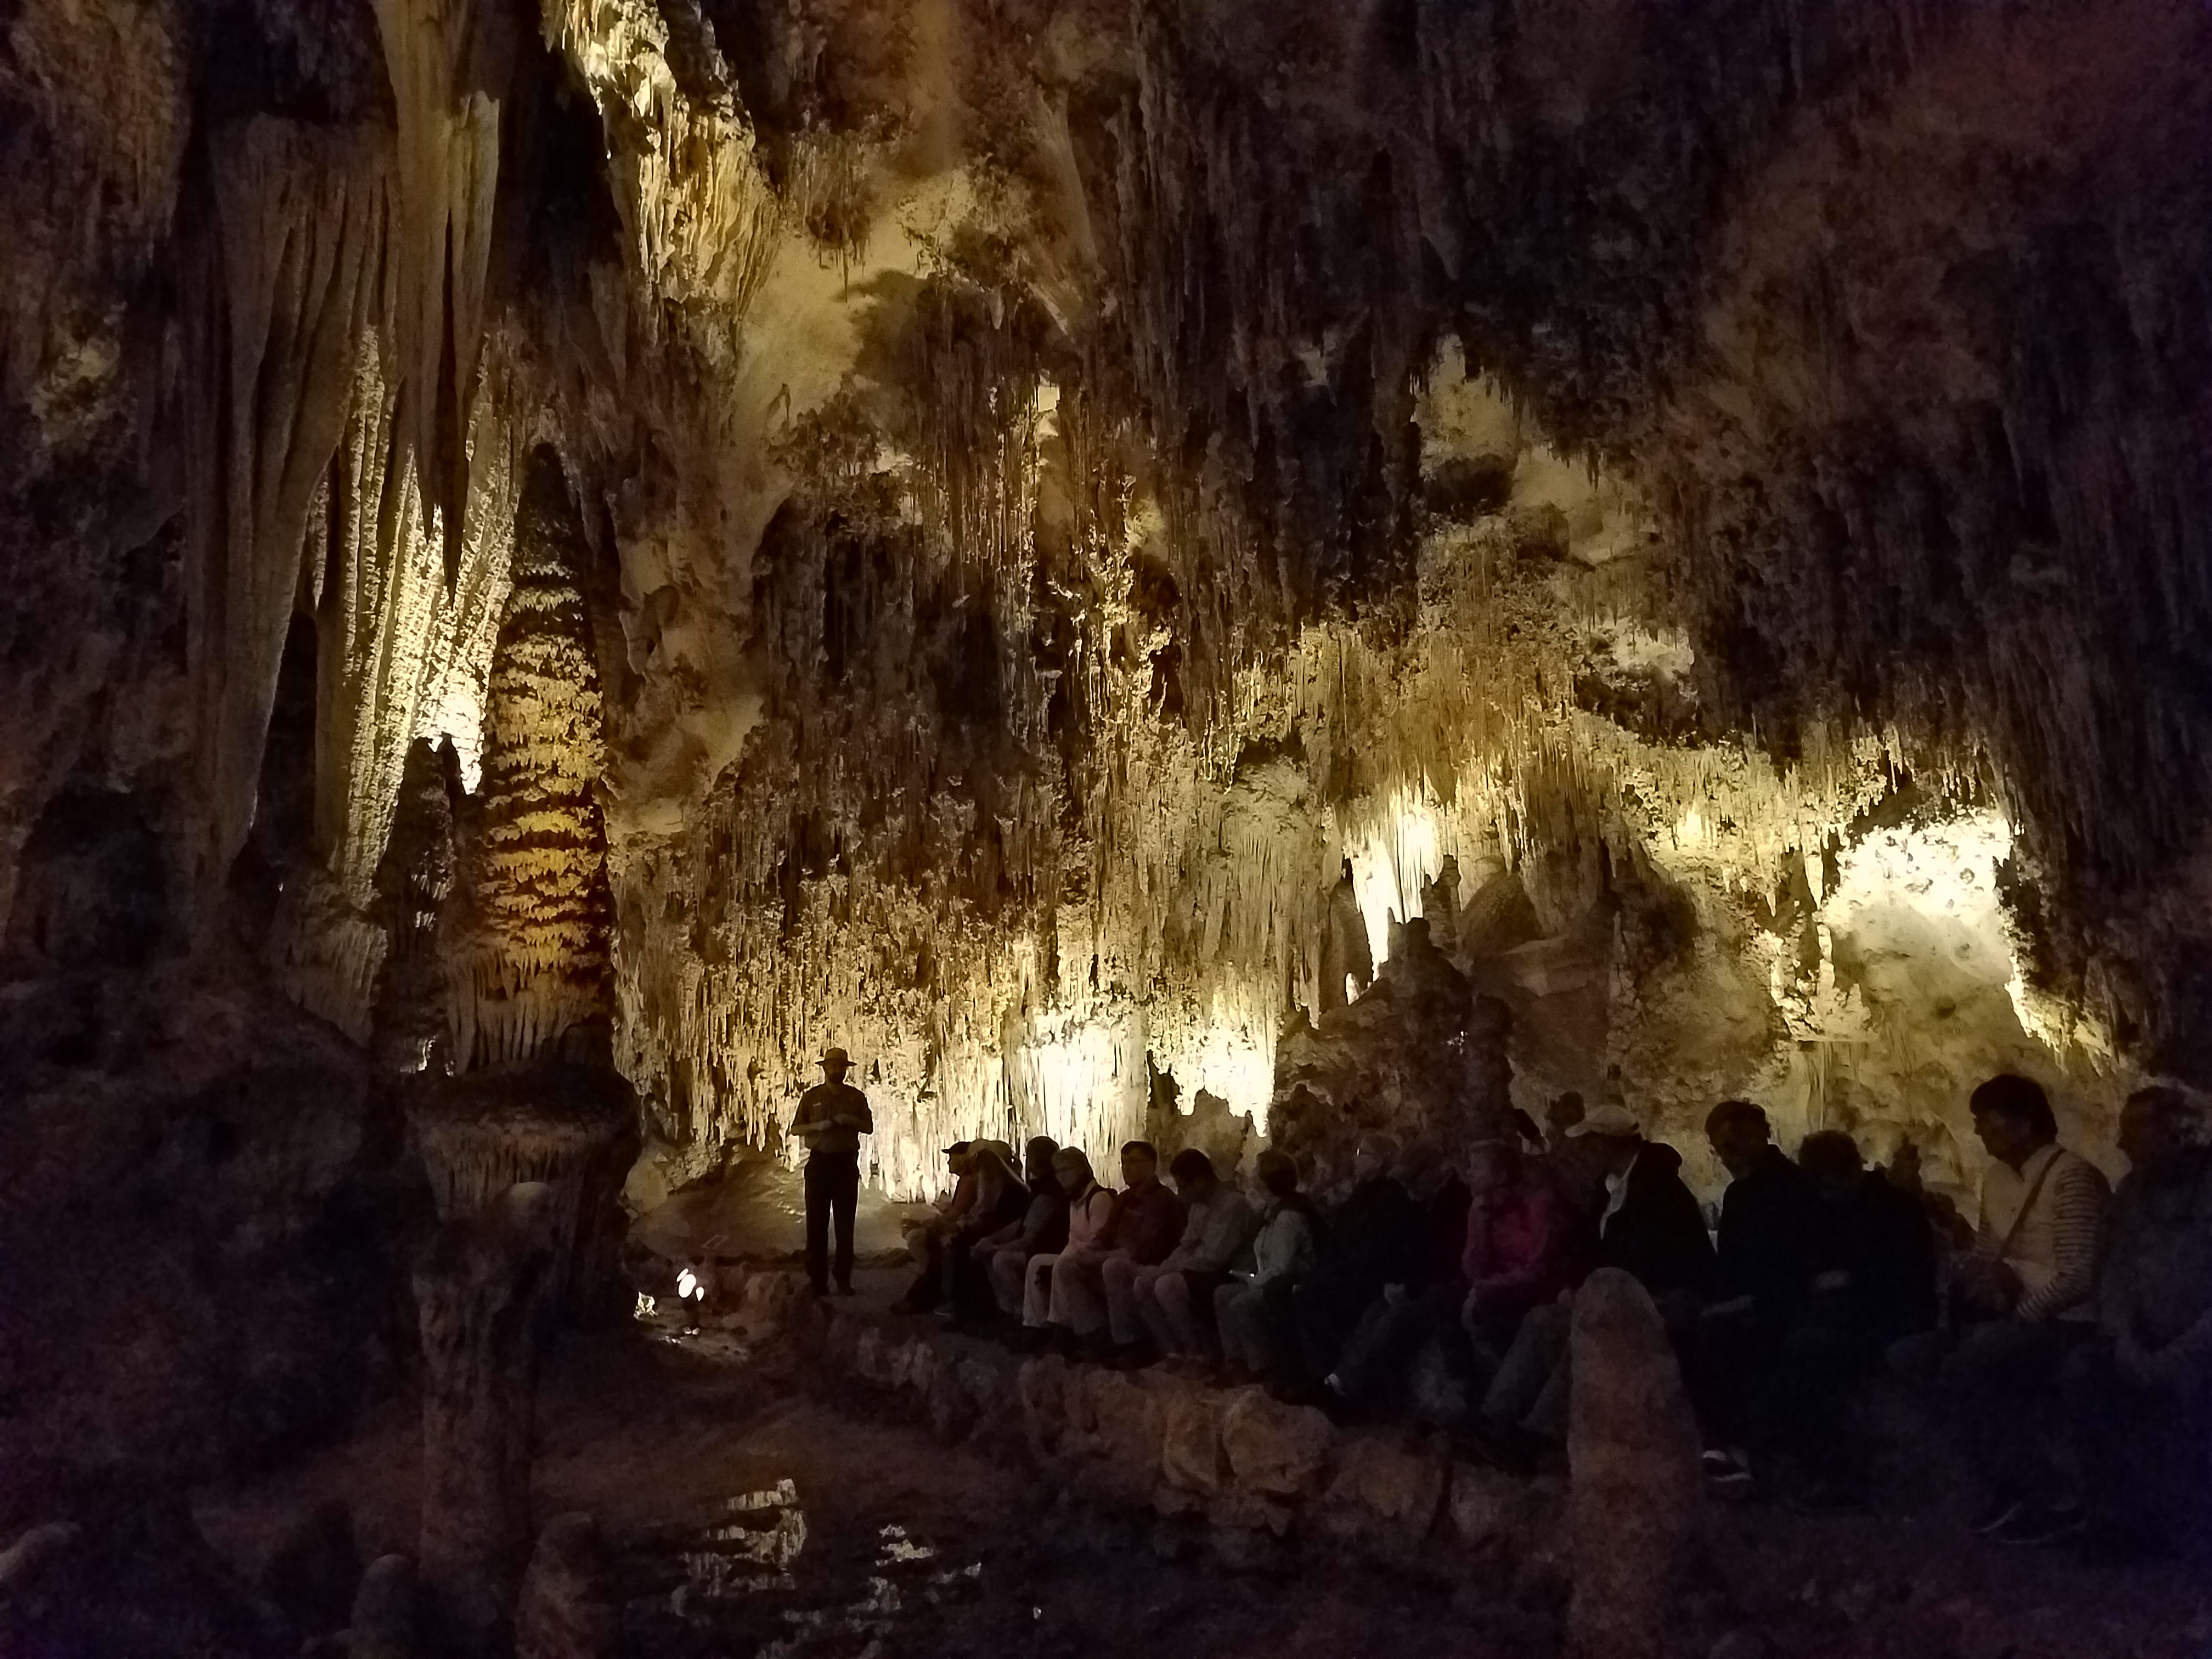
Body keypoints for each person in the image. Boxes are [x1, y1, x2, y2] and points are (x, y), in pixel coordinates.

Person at [1930, 1073, 2110, 1546]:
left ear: (2023, 1124)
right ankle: (2013, 1483)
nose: (1978, 1133)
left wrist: (2020, 1318)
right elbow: (1992, 1251)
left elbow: (2079, 1275)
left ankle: (2048, 1495)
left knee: (1969, 1367)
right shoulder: (1995, 1178)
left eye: (1986, 1122)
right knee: (1928, 1357)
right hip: (2016, 1311)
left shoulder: (2072, 1178)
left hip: (2068, 1321)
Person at [1477, 1102, 1712, 1454]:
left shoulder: (1657, 1190)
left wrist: (1591, 1292)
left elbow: (1655, 1259)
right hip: (1617, 1292)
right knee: (1544, 1320)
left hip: (1664, 1295)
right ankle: (1497, 1417)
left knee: (1590, 1330)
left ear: (1607, 1143)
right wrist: (1575, 1286)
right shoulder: (1611, 1190)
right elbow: (1592, 1250)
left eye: (1589, 1144)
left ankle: (1543, 1434)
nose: (1584, 1153)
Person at [2062, 1086, 2212, 1561]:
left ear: (2176, 1135)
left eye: (2135, 1134)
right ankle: (2118, 1521)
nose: (2122, 1145)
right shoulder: (2130, 1193)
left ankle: (2186, 1533)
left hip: (2199, 1345)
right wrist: (2126, 1341)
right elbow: (2112, 1273)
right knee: (2085, 1378)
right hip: (2143, 1342)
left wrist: (2180, 1356)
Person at [1763, 1128, 1938, 1504]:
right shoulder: (1820, 1209)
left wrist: (1848, 1281)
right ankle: (1792, 1462)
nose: (1826, 1194)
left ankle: (1836, 1475)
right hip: (1836, 1317)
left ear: (1851, 1172)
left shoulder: (1896, 1210)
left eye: (1831, 1184)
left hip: (1891, 1320)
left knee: (1810, 1353)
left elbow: (1909, 1280)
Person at [1691, 1101, 1819, 1481]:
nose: (1729, 1154)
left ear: (1762, 1135)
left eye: (1736, 1142)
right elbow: (1729, 1265)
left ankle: (1736, 1453)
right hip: (1750, 1301)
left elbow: (1791, 1268)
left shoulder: (1791, 1189)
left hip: (1785, 1305)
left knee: (1721, 1338)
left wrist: (1731, 1305)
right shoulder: (1740, 1194)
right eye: (1722, 1147)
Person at [1275, 1135, 1421, 1396]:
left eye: (1361, 1153)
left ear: (1379, 1161)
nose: (1356, 1160)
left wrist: (1330, 1273)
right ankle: (1303, 1374)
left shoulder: (1390, 1197)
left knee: (1311, 1296)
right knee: (1290, 1291)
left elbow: (1378, 1249)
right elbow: (1338, 1241)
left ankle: (1325, 1378)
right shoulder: (1361, 1196)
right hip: (1348, 1270)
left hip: (1370, 1275)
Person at [1047, 1141, 1182, 1358]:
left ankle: (1126, 1342)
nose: (1126, 1167)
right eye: (1124, 1162)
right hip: (1118, 1258)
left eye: (1134, 1161)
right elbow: (1106, 1234)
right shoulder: (1124, 1199)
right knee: (1070, 1264)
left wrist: (1100, 1256)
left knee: (1113, 1267)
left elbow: (1144, 1249)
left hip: (1149, 1265)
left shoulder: (1162, 1201)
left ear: (1152, 1164)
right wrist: (1090, 1251)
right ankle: (1091, 1333)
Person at [1133, 1149, 1258, 1364]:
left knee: (1168, 1286)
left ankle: (1197, 1352)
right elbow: (1187, 1245)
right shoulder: (1198, 1207)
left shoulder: (1233, 1205)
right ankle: (1171, 1350)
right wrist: (1165, 1266)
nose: (1180, 1194)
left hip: (1230, 1272)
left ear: (1200, 1181)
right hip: (1201, 1270)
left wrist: (1173, 1269)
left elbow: (1214, 1257)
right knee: (1143, 1284)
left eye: (1183, 1186)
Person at [1216, 1150, 1322, 1379]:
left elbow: (1282, 1268)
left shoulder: (1287, 1218)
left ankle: (1261, 1367)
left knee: (1242, 1303)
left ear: (1267, 1178)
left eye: (1256, 1169)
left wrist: (1253, 1280)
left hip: (1291, 1284)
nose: (1251, 1172)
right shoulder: (1269, 1213)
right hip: (1269, 1278)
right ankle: (1236, 1360)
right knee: (1223, 1294)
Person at [791, 1046, 874, 1297]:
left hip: (845, 1165)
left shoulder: (856, 1097)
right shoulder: (812, 1096)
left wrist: (850, 1121)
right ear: (825, 1068)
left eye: (841, 1066)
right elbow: (796, 1129)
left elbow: (868, 1127)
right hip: (819, 1164)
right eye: (833, 1066)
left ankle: (843, 1279)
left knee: (845, 1225)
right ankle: (817, 1280)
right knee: (816, 1225)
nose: (837, 1070)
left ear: (845, 1069)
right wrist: (817, 1125)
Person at [1020, 1147, 1118, 1340]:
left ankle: (1072, 1328)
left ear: (1081, 1169)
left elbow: (1100, 1242)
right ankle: (1035, 1324)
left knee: (1063, 1265)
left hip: (1093, 1261)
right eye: (1058, 1171)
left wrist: (1067, 1257)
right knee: (1037, 1262)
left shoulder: (1098, 1199)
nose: (1061, 1176)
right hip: (1074, 1256)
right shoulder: (1075, 1200)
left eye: (1066, 1170)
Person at [977, 1137, 1070, 1324]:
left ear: (1036, 1160)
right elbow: (1021, 1224)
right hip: (1040, 1247)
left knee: (1002, 1260)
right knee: (989, 1251)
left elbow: (1029, 1238)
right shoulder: (1040, 1190)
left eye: (1029, 1155)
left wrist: (996, 1248)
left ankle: (1020, 1312)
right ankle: (1006, 1310)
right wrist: (993, 1240)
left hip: (1045, 1250)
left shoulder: (1046, 1195)